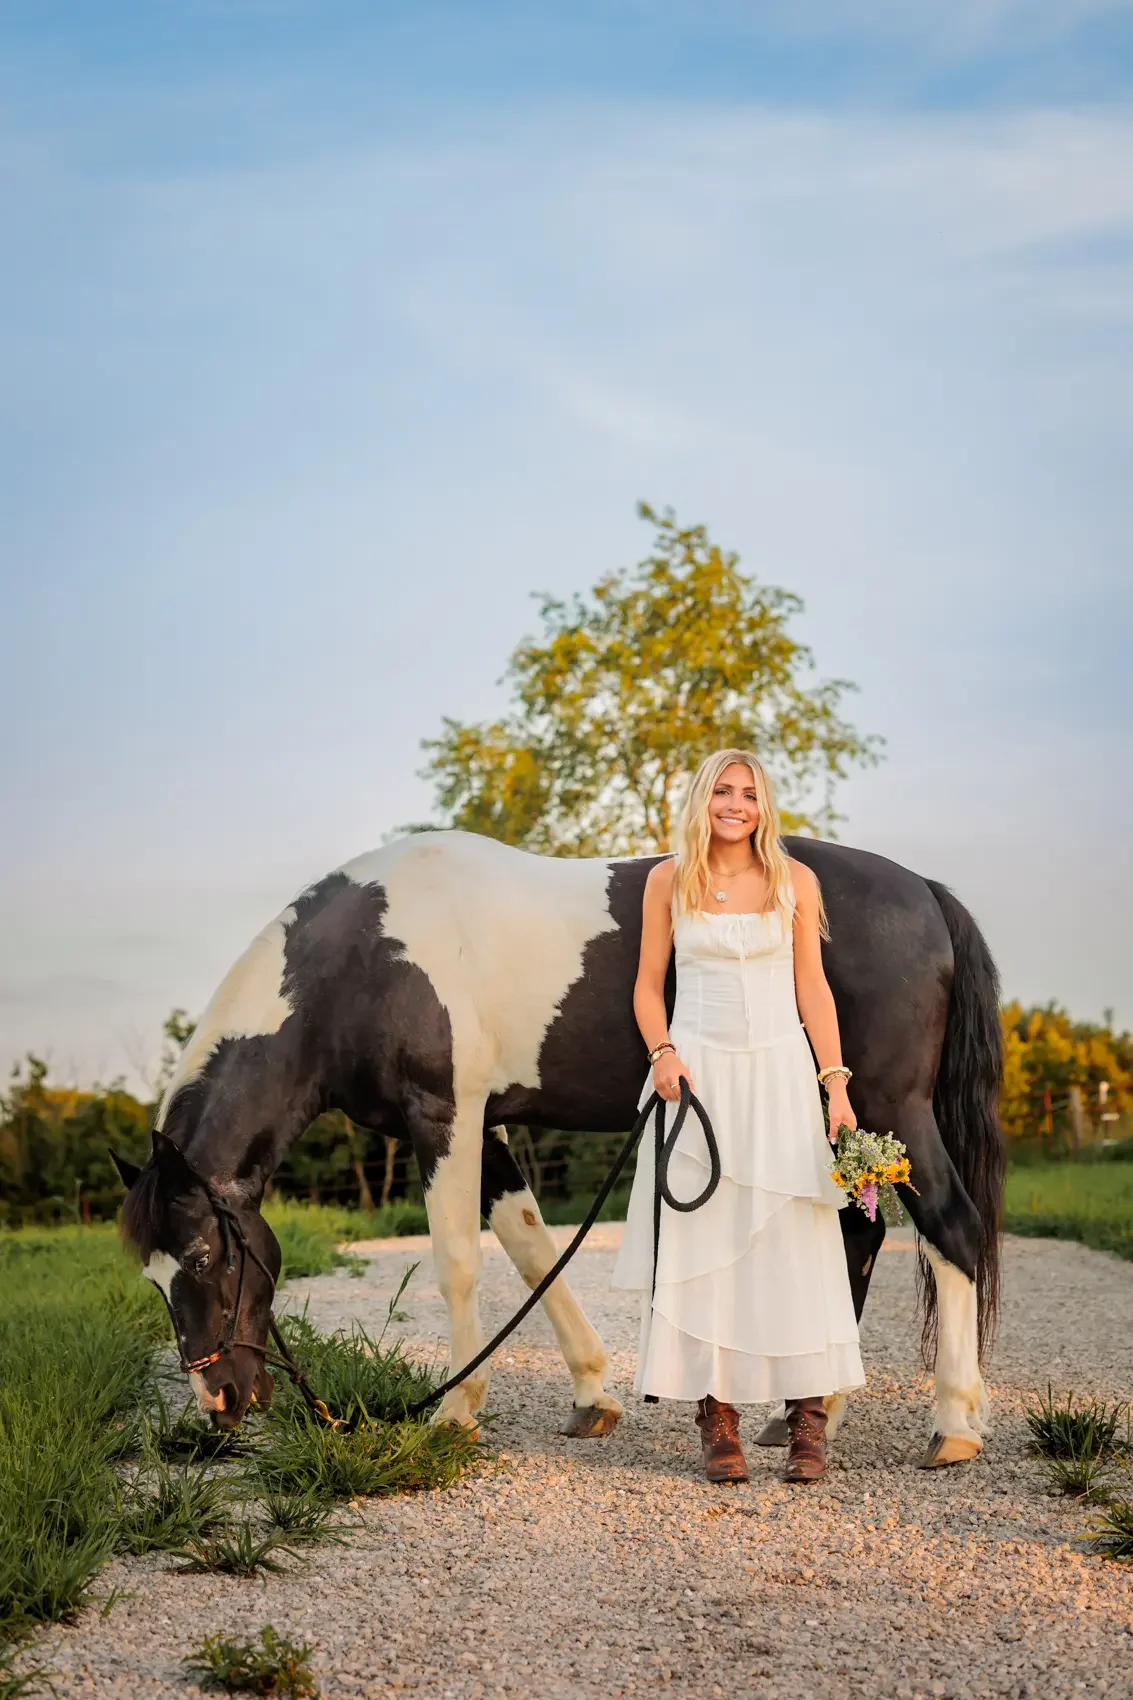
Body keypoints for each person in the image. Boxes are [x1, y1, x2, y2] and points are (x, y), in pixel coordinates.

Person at [611, 748, 865, 1484]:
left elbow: (812, 991)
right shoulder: (669, 879)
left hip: (781, 1072)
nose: (734, 804)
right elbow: (645, 987)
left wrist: (836, 1087)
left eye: (747, 794)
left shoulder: (794, 879)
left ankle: (806, 1423)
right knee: (706, 1243)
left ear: (763, 806)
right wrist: (661, 1051)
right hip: (701, 1076)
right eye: (722, 791)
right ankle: (715, 1419)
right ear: (703, 799)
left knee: (794, 1242)